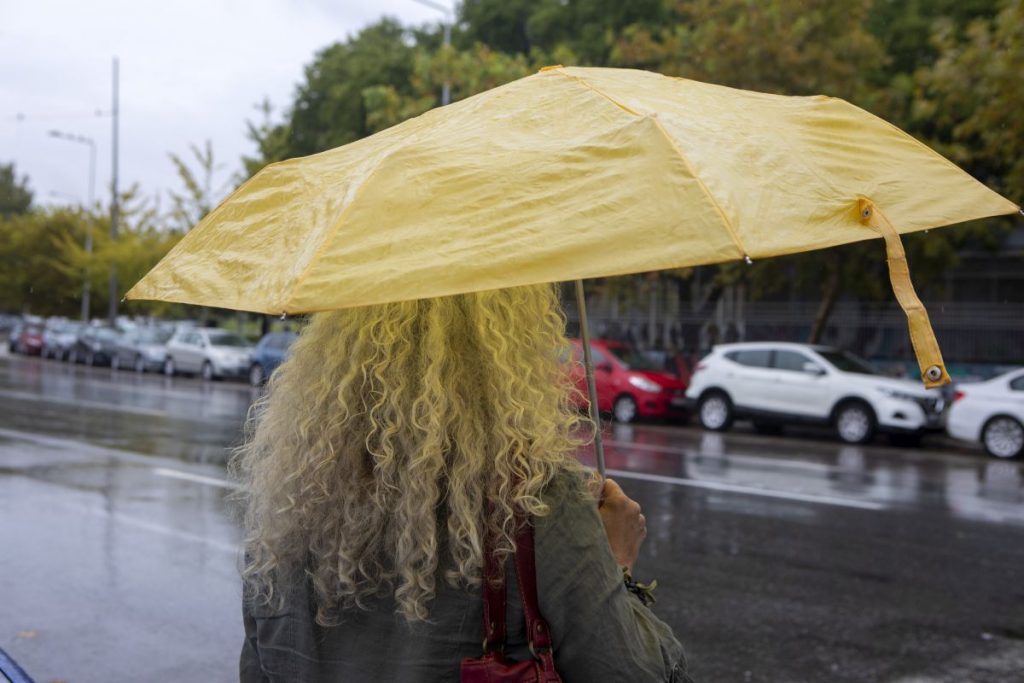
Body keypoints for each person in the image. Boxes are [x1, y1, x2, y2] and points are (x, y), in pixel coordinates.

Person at [233, 284, 693, 682]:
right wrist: (617, 564)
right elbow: (635, 672)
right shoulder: (535, 497)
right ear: (507, 349)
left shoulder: (288, 501)